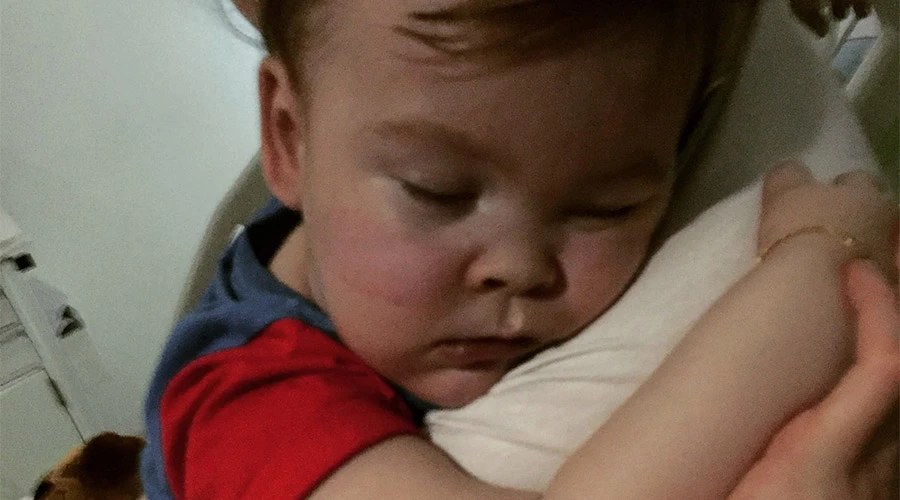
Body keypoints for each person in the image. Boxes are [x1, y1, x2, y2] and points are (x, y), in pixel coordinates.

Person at [141, 1, 898, 499]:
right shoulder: (244, 401)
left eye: (606, 207)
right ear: (289, 139)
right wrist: (814, 263)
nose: (521, 268)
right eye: (439, 192)